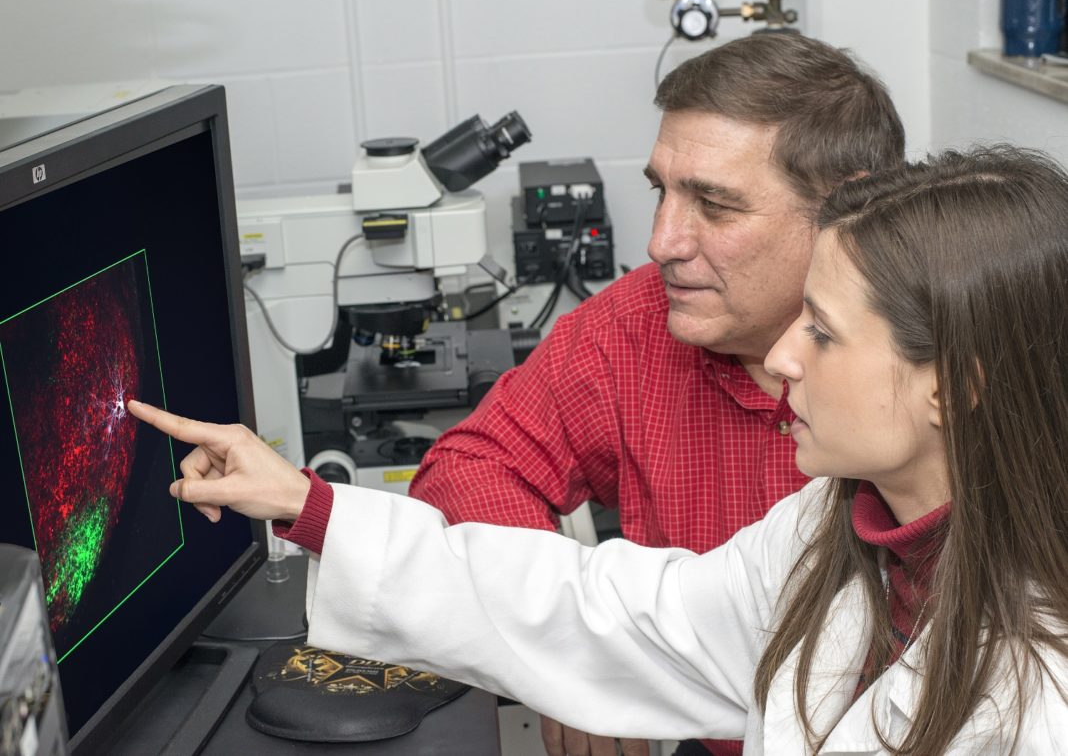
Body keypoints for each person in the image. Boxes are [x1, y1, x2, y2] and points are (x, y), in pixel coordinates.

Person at [128, 145, 1068, 753]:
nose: (781, 358)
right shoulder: (839, 530)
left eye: (820, 331)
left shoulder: (1041, 697)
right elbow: (611, 611)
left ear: (956, 382)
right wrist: (310, 504)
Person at [408, 31, 905, 756]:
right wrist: (575, 652)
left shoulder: (942, 357)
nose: (662, 242)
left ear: (845, 209)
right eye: (661, 191)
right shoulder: (637, 329)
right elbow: (469, 467)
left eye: (715, 204)